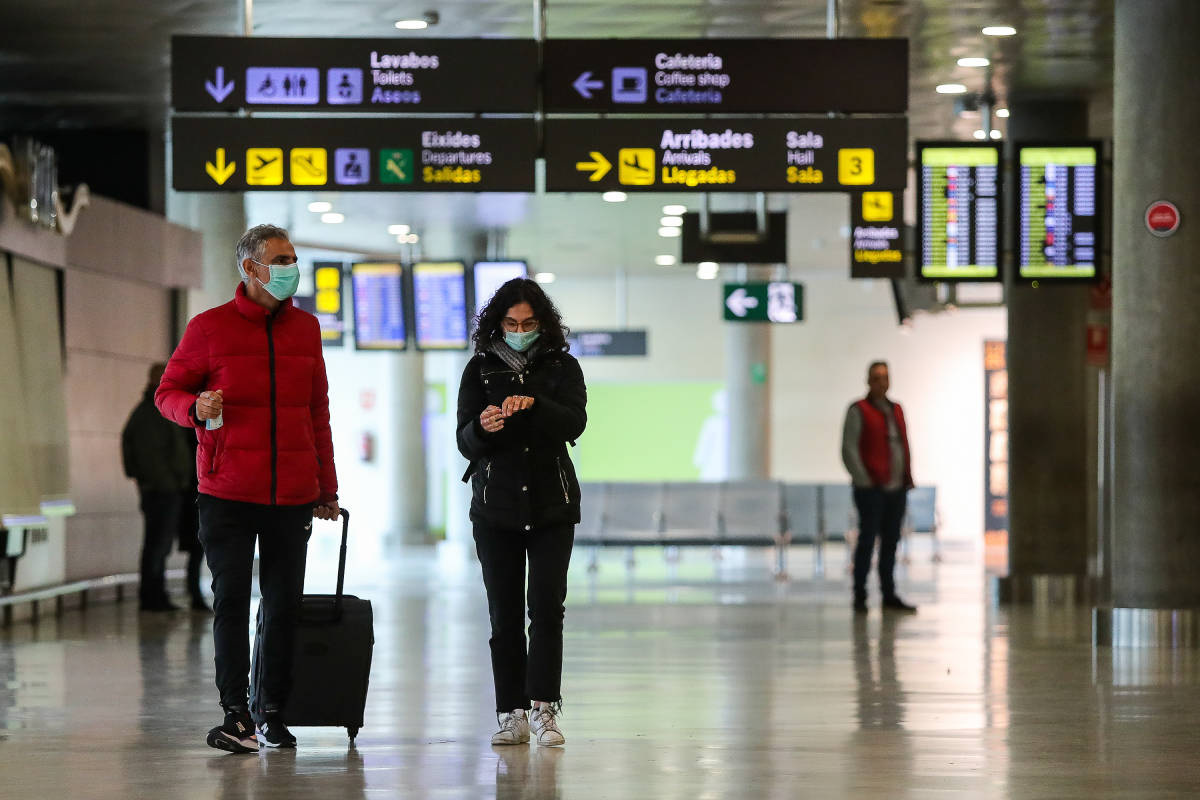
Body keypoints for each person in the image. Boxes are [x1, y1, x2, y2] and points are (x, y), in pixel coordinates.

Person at [156, 224, 340, 754]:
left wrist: (327, 486)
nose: (290, 268)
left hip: (291, 496)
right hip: (227, 491)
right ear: (250, 268)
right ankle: (235, 713)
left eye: (293, 258)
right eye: (280, 260)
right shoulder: (209, 328)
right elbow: (167, 392)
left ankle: (273, 710)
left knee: (283, 605)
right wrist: (194, 409)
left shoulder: (306, 329)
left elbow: (317, 413)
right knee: (232, 599)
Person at [457, 279, 586, 748]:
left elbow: (575, 423)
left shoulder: (563, 367)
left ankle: (544, 709)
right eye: (511, 323)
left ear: (543, 324)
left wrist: (534, 405)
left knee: (547, 610)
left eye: (528, 323)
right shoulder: (479, 370)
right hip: (496, 507)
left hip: (553, 503)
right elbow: (464, 441)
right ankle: (510, 712)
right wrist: (482, 426)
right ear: (497, 324)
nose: (519, 331)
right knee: (504, 614)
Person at [841, 361, 917, 614]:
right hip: (870, 489)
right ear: (868, 381)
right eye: (876, 378)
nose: (881, 383)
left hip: (896, 488)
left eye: (885, 377)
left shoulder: (896, 410)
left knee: (891, 541)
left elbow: (903, 446)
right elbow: (849, 449)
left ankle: (889, 592)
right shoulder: (858, 410)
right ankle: (860, 594)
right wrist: (865, 479)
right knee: (867, 539)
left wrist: (906, 476)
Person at [121, 362, 194, 612]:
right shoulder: (153, 412)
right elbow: (149, 454)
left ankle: (156, 595)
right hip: (162, 489)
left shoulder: (154, 409)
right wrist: (170, 480)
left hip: (163, 487)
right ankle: (152, 597)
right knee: (157, 544)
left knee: (158, 544)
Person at [178, 434, 209, 612]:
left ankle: (195, 594)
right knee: (196, 548)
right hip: (192, 494)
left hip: (191, 492)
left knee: (196, 549)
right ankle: (195, 595)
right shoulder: (189, 429)